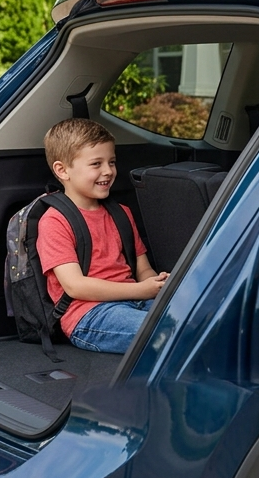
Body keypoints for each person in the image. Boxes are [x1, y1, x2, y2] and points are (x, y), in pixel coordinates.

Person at [38, 118, 169, 354]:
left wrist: (156, 284)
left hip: (136, 300)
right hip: (90, 314)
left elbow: (143, 271)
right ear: (62, 170)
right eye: (96, 164)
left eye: (112, 162)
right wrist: (142, 290)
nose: (108, 171)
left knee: (196, 321)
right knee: (166, 333)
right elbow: (75, 286)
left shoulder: (121, 213)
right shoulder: (54, 221)